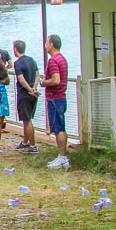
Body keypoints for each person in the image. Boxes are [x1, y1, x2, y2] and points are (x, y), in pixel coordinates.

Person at [41, 34, 70, 169]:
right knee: (60, 126)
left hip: (55, 97)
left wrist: (44, 82)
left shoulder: (53, 61)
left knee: (58, 128)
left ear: (51, 44)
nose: (45, 45)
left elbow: (56, 80)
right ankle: (61, 157)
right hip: (61, 97)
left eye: (47, 43)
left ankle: (63, 157)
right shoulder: (62, 59)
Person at [12, 40, 40, 153]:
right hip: (33, 93)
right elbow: (38, 75)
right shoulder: (31, 60)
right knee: (27, 120)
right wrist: (34, 88)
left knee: (27, 120)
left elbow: (21, 80)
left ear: (15, 49)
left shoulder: (18, 63)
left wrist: (29, 90)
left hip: (24, 94)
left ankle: (32, 145)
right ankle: (25, 142)